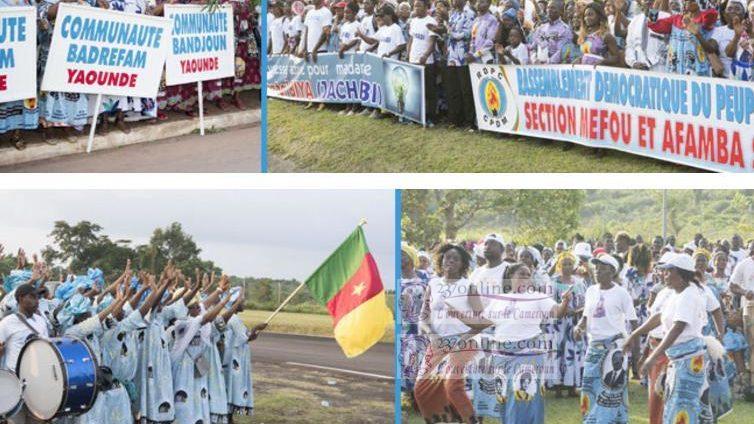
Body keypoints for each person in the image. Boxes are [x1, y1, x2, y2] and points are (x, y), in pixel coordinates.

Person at [467, 262, 573, 423]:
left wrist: (565, 302)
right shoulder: (499, 300)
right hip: (501, 355)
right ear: (510, 277)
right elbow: (481, 323)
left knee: (524, 395)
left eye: (528, 275)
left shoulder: (538, 296)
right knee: (505, 396)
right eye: (521, 274)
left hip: (528, 353)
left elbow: (557, 313)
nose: (525, 277)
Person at [625, 254, 720, 424]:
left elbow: (677, 328)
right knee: (675, 406)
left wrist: (652, 358)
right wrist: (634, 334)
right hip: (678, 359)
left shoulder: (688, 295)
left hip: (688, 360)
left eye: (669, 272)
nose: (664, 275)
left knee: (683, 408)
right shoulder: (676, 293)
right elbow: (659, 317)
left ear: (681, 274)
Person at [413, 244, 477, 423]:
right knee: (421, 387)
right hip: (437, 342)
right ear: (441, 260)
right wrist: (431, 334)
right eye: (448, 257)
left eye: (456, 258)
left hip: (462, 342)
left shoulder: (468, 286)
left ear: (463, 264)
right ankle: (443, 420)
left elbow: (480, 321)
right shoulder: (433, 284)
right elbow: (423, 317)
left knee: (452, 385)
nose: (451, 261)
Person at [574, 253, 637, 423]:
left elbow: (634, 321)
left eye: (602, 268)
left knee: (610, 390)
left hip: (615, 347)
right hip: (594, 346)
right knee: (589, 387)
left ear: (612, 271)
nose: (597, 271)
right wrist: (579, 327)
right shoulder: (591, 291)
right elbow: (586, 317)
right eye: (596, 268)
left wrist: (633, 348)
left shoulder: (621, 293)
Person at [0, 283, 49, 424]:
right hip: (15, 386)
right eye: (32, 297)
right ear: (21, 299)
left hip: (38, 383)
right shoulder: (7, 323)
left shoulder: (41, 321)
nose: (37, 301)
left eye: (38, 297)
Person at [0, 0, 40, 150]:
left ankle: (16, 135)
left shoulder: (28, 3)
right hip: (5, 60)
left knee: (20, 96)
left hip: (23, 61)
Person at [548, 252, 587, 397]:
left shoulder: (579, 282)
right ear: (559, 266)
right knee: (559, 352)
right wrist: (562, 308)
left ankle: (572, 387)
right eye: (564, 264)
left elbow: (585, 303)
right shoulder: (553, 282)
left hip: (574, 322)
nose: (567, 266)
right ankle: (557, 387)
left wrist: (575, 311)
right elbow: (550, 304)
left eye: (570, 264)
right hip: (557, 324)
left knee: (573, 352)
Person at [647, 0, 718, 76]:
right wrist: (657, 3)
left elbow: (713, 13)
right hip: (674, 73)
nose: (687, 1)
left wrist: (695, 29)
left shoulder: (705, 19)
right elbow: (652, 24)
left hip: (696, 74)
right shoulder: (676, 19)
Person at [399, 244, 430, 409]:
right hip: (403, 331)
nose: (399, 258)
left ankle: (419, 402)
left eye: (402, 255)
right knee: (404, 365)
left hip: (420, 331)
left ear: (411, 259)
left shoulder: (425, 279)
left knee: (418, 365)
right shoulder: (397, 281)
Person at [442, 0, 476, 130]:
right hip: (452, 57)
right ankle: (456, 119)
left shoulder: (469, 13)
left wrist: (449, 30)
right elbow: (449, 34)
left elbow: (465, 35)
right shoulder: (453, 13)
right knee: (453, 89)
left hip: (463, 57)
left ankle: (470, 122)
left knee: (465, 90)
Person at [407, 0, 440, 126]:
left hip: (427, 62)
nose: (416, 8)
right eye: (414, 6)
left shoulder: (431, 21)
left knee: (429, 91)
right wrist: (409, 54)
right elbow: (411, 39)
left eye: (419, 6)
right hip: (413, 60)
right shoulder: (413, 21)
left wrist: (425, 55)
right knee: (416, 90)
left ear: (427, 7)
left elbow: (432, 42)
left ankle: (432, 118)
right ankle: (417, 117)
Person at [729, 240, 754, 396]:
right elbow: (732, 285)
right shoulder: (744, 264)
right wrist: (745, 292)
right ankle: (752, 385)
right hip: (751, 307)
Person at [301, 0, 333, 110]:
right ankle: (313, 99)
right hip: (310, 50)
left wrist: (315, 49)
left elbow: (326, 32)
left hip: (321, 50)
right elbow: (306, 31)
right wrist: (305, 49)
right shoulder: (309, 13)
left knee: (321, 76)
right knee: (311, 76)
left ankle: (322, 101)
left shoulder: (326, 12)